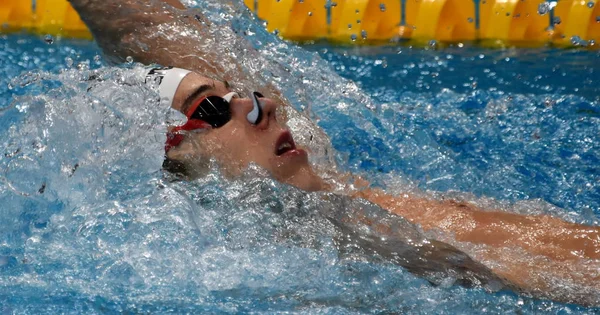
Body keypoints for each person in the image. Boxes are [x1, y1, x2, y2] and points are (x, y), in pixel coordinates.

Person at [68, 0, 600, 306]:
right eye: (216, 107)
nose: (263, 104)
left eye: (244, 93)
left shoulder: (309, 174)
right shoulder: (309, 260)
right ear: (176, 158)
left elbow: (148, 25)